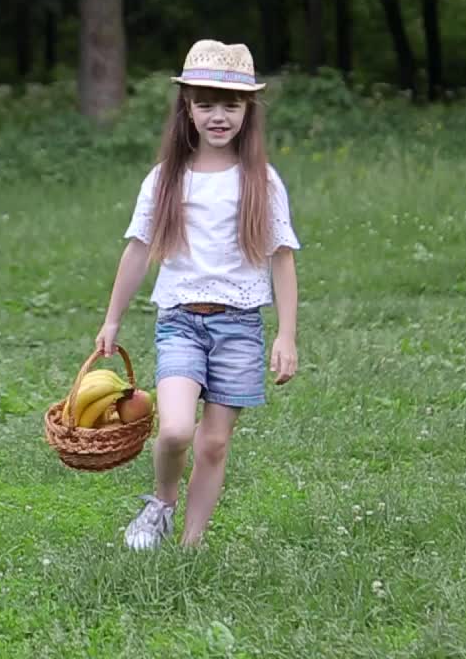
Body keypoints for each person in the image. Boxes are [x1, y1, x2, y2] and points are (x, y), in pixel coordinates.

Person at [94, 39, 301, 550]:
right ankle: (162, 505)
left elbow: (282, 257)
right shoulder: (166, 179)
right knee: (175, 432)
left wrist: (287, 335)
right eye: (205, 104)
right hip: (181, 320)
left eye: (230, 105)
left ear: (247, 111)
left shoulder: (262, 181)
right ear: (186, 107)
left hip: (239, 327)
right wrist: (113, 320)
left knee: (213, 443)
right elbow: (138, 251)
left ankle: (192, 544)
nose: (217, 116)